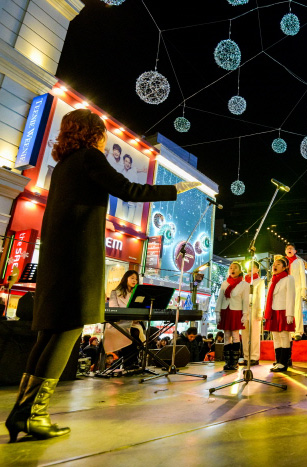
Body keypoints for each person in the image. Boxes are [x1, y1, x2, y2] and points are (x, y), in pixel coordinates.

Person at [5, 109, 199, 443]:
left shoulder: (65, 164)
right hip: (77, 258)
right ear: (94, 133)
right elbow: (129, 190)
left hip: (56, 257)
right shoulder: (89, 158)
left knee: (48, 333)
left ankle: (23, 412)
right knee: (67, 330)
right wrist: (176, 189)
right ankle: (32, 414)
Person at [214, 262, 250, 371]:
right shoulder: (225, 283)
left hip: (236, 311)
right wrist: (217, 312)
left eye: (235, 268)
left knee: (235, 335)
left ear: (240, 271)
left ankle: (234, 362)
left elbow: (246, 300)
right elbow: (220, 298)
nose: (232, 269)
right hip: (226, 310)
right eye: (230, 268)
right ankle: (227, 361)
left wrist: (245, 314)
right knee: (226, 336)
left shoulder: (244, 284)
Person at [264, 257, 296, 372]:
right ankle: (278, 361)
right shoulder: (273, 280)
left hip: (283, 311)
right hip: (273, 311)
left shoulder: (289, 278)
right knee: (276, 337)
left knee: (283, 336)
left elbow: (291, 296)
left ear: (285, 267)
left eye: (278, 264)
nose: (274, 266)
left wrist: (290, 314)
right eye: (273, 264)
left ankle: (284, 362)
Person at [241, 261, 265, 366]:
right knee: (245, 335)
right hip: (244, 310)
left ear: (257, 269)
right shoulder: (243, 281)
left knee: (254, 335)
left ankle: (254, 357)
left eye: (253, 267)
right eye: (248, 267)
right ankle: (246, 357)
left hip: (254, 309)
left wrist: (260, 311)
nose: (250, 269)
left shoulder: (260, 281)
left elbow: (261, 296)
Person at [285, 244, 307, 339]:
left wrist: (304, 288)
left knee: (297, 309)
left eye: (291, 248)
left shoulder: (299, 261)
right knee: (287, 310)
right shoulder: (283, 261)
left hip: (297, 287)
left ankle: (298, 331)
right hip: (286, 288)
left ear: (295, 251)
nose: (289, 250)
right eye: (287, 249)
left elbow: (302, 274)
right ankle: (289, 331)